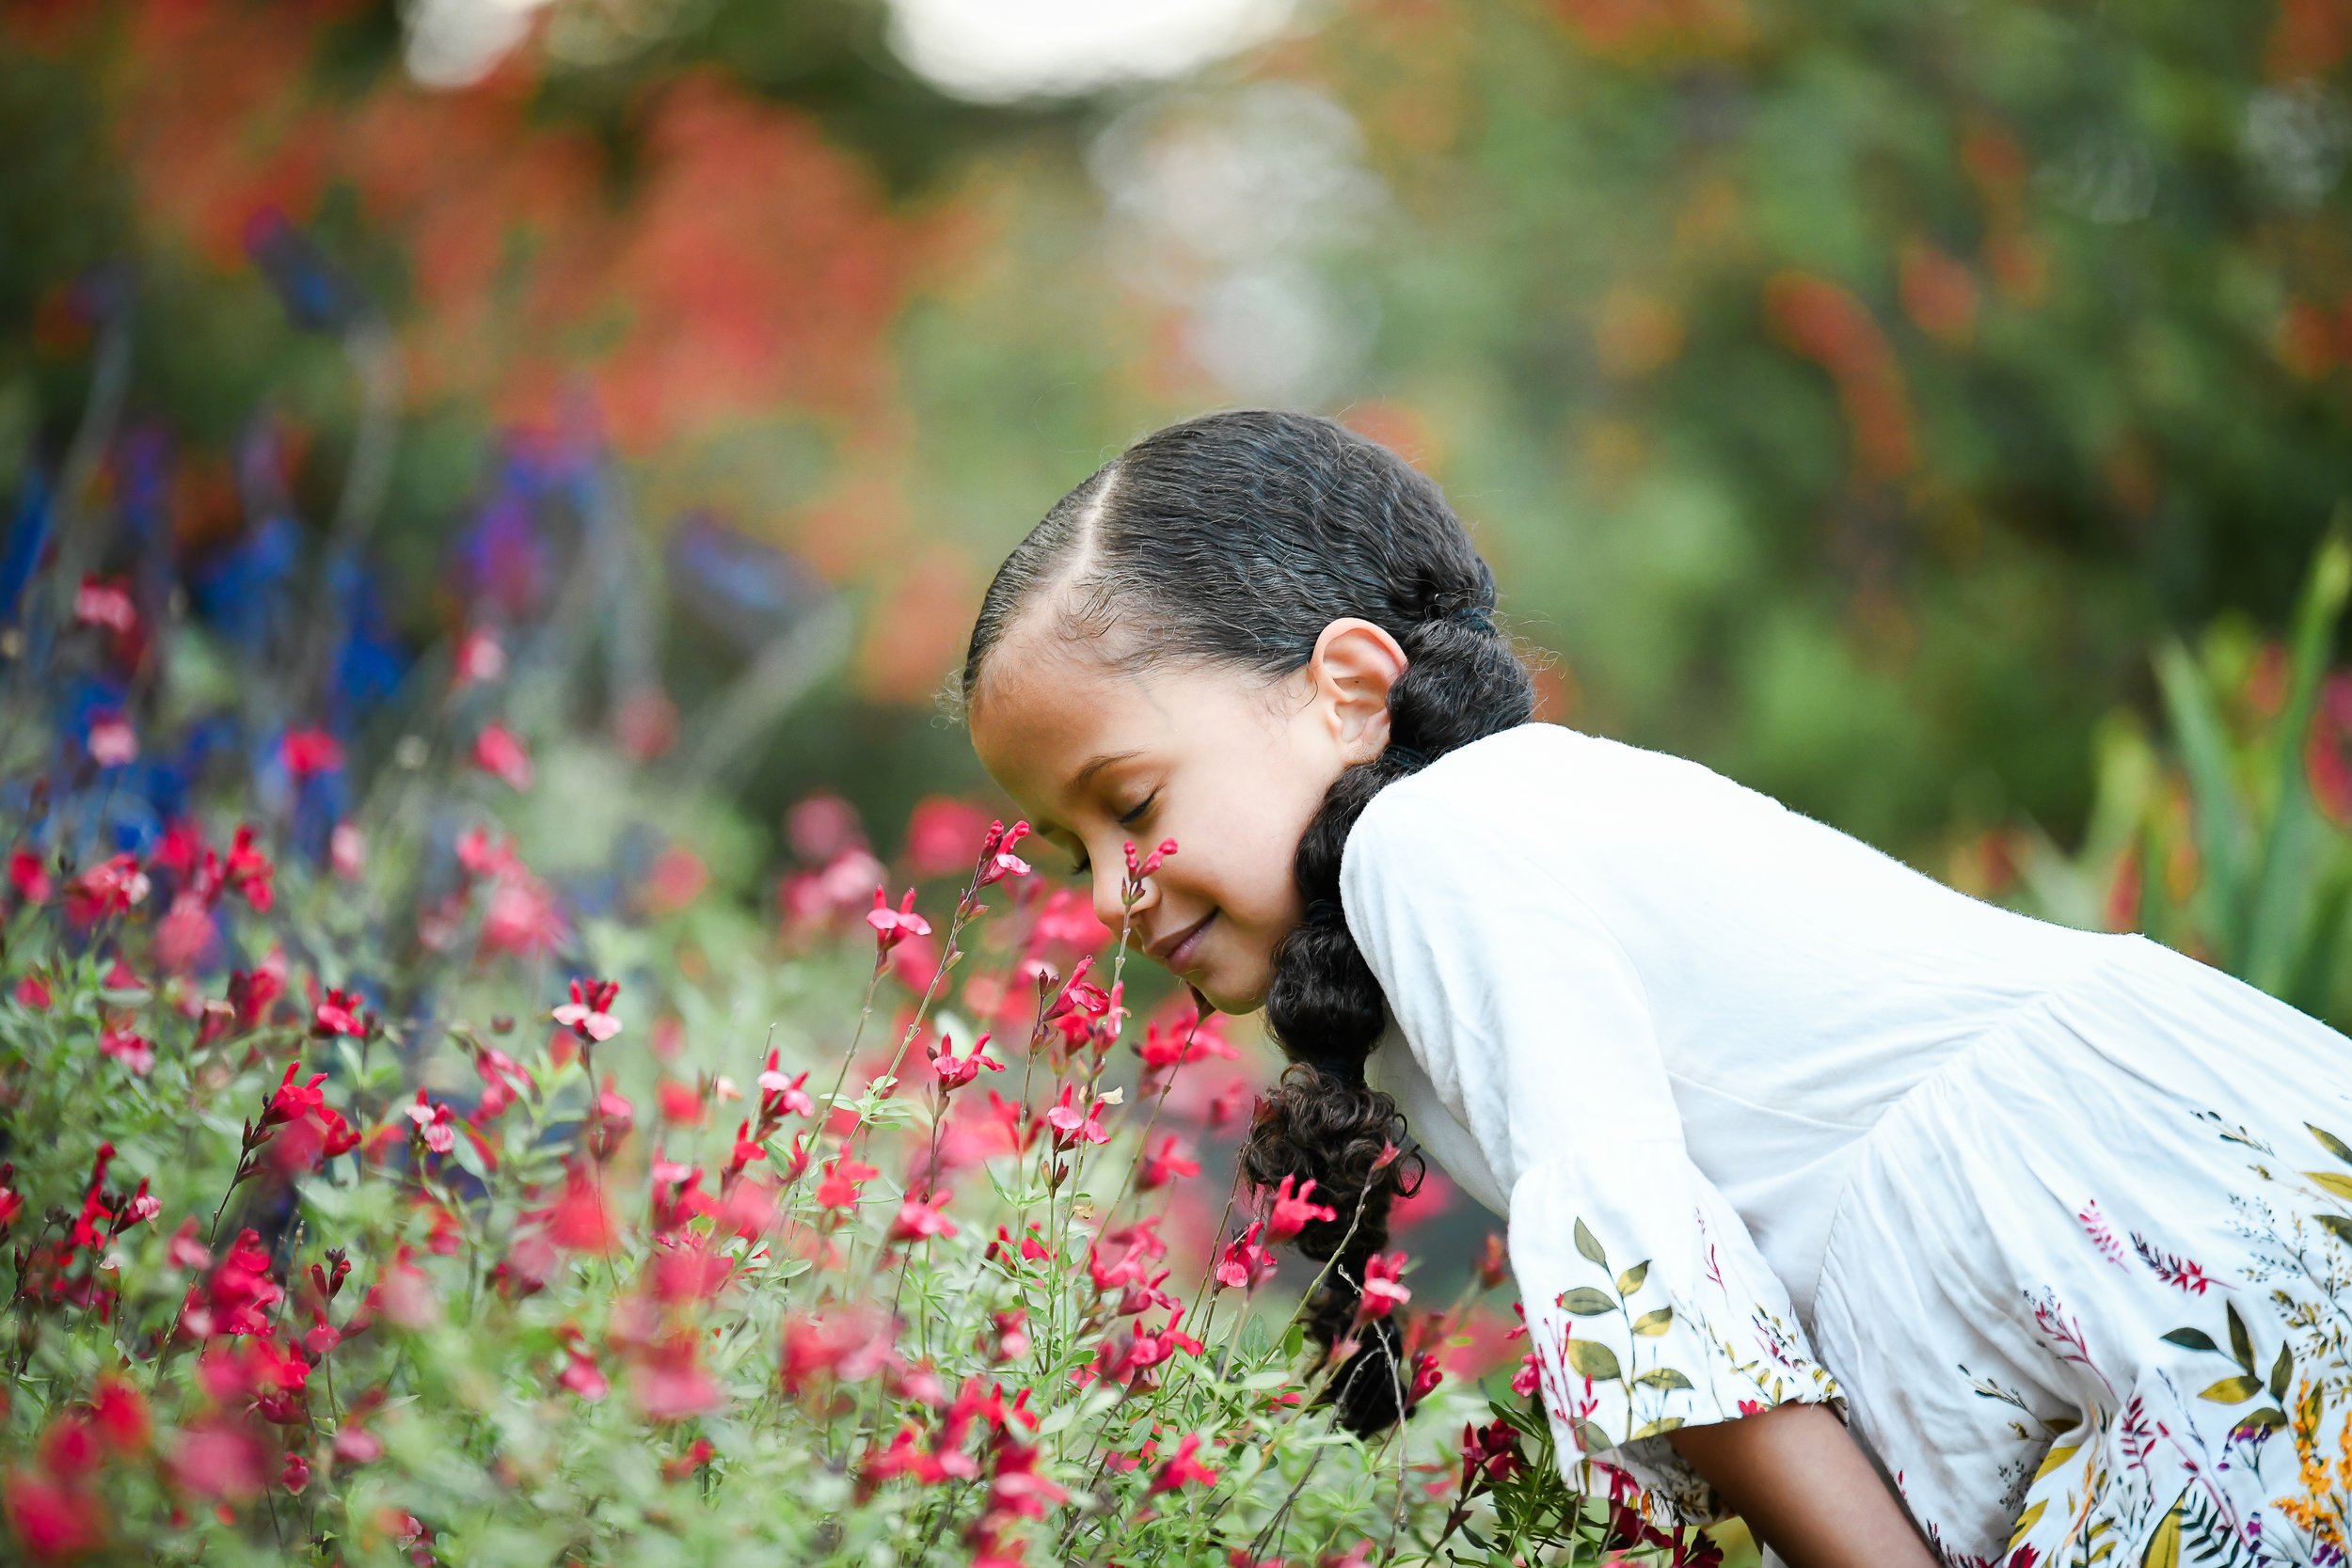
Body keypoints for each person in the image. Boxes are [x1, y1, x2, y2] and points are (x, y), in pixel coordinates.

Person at [953, 408, 2352, 1568]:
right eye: (1078, 846)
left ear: (1347, 687)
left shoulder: (1434, 844)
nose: (1105, 892)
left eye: (1130, 802)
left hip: (2153, 1249)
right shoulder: (1463, 869)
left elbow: (1660, 1303)